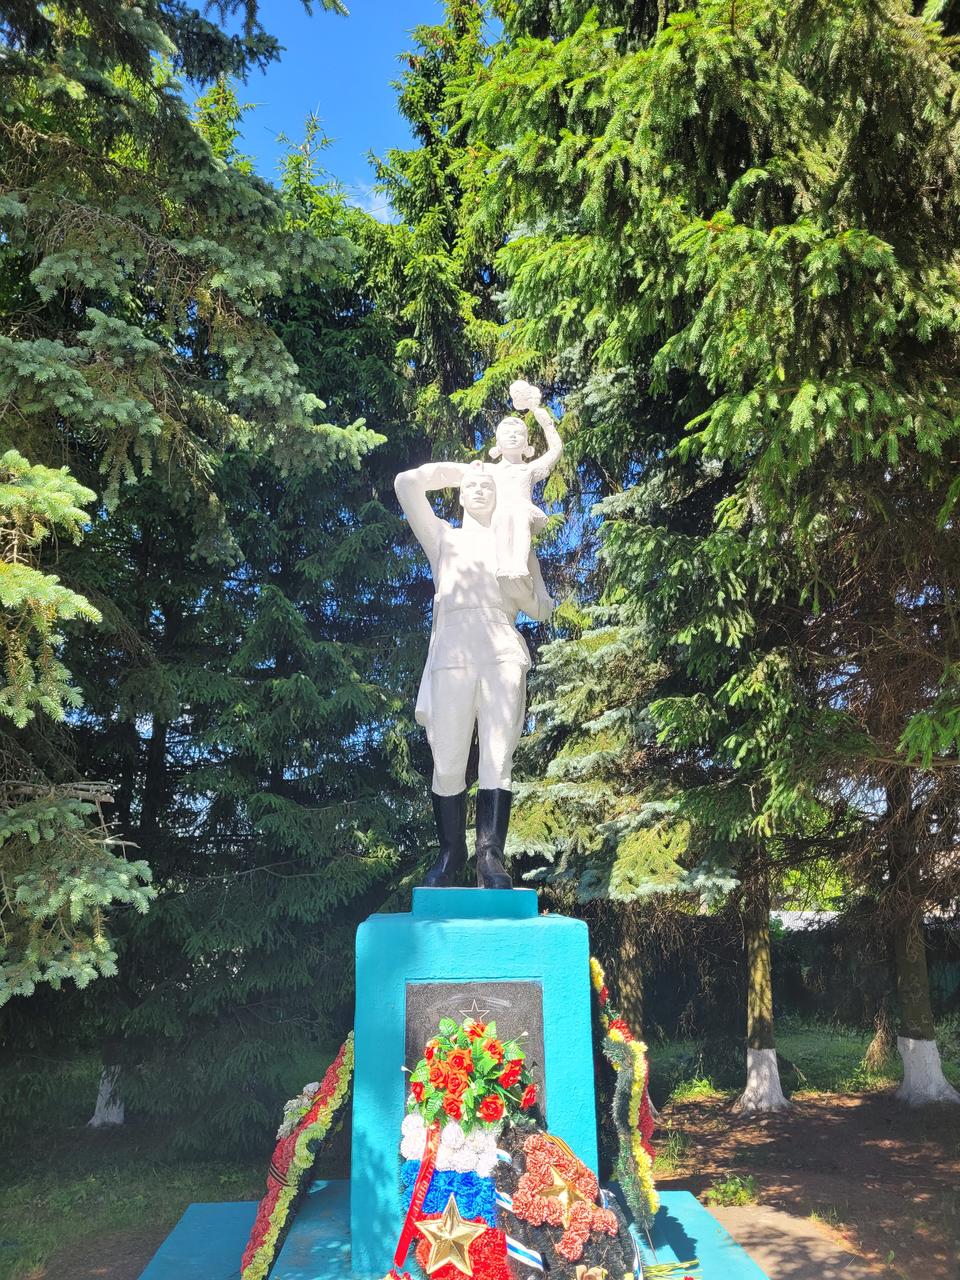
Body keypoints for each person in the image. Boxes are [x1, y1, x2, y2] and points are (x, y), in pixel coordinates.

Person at [394, 399, 556, 888]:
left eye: (488, 485)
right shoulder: (443, 539)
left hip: (501, 650)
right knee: (447, 759)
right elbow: (406, 483)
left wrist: (520, 581)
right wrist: (466, 469)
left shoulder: (515, 545)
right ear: (461, 495)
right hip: (453, 654)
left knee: (497, 757)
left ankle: (490, 856)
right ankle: (451, 853)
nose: (480, 489)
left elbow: (542, 608)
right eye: (472, 486)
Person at [486, 380, 564, 587]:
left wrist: (546, 424)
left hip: (524, 512)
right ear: (498, 444)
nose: (513, 437)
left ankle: (520, 567)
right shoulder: (490, 470)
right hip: (500, 515)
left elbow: (555, 451)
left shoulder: (529, 469)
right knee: (503, 516)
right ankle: (504, 566)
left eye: (518, 434)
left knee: (519, 516)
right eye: (507, 434)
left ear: (526, 444)